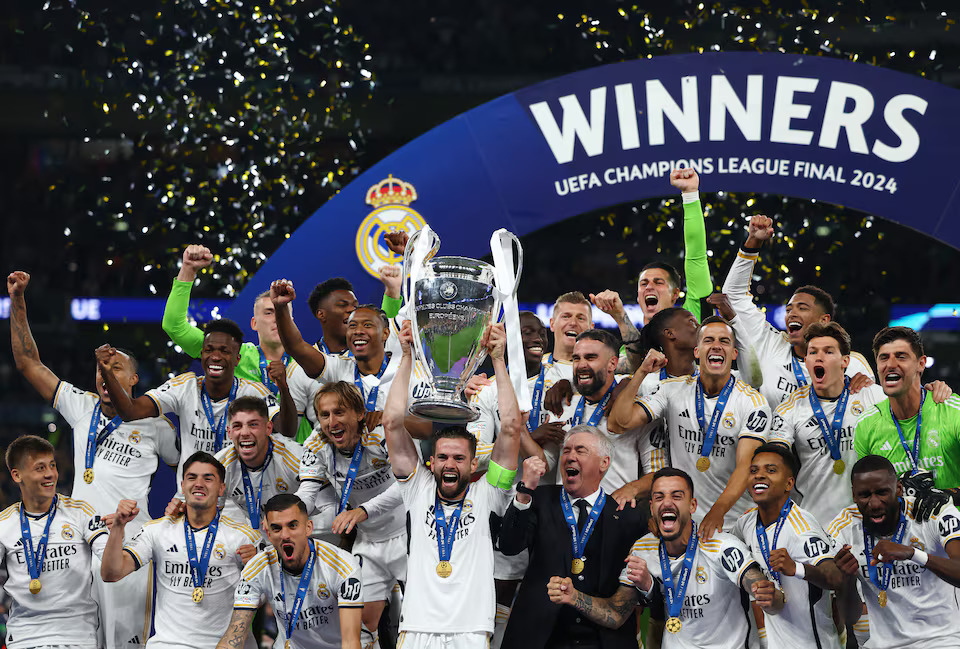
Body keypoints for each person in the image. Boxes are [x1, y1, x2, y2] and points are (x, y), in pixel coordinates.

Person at [8, 269, 178, 648]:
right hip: (78, 543)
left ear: (134, 380)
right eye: (101, 368)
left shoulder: (156, 425)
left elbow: (186, 467)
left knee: (124, 641)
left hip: (131, 545)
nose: (105, 374)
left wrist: (181, 500)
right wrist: (18, 301)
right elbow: (28, 364)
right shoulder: (81, 406)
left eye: (116, 367)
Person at [383, 319, 522, 648]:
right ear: (431, 462)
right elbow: (391, 421)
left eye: (459, 459)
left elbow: (512, 428)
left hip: (471, 629)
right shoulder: (417, 489)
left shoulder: (489, 493)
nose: (449, 464)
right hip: (417, 627)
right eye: (443, 457)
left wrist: (499, 361)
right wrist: (406, 358)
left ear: (474, 464)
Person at [553, 467, 780, 648]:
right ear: (652, 507)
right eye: (659, 497)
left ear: (692, 506)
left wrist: (765, 591)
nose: (667, 502)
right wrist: (573, 596)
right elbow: (615, 614)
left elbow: (758, 585)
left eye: (677, 496)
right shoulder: (642, 550)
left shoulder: (721, 545)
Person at [609, 317, 772, 537]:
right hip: (683, 522)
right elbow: (621, 421)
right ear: (697, 351)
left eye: (724, 341)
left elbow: (746, 466)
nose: (716, 346)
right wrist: (641, 372)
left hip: (734, 521)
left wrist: (717, 512)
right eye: (708, 340)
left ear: (734, 354)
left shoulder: (753, 402)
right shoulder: (671, 390)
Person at [498, 426, 652, 649]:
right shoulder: (539, 499)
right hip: (541, 637)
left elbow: (639, 588)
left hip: (602, 640)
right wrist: (525, 491)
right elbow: (509, 545)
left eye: (580, 451)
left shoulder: (627, 516)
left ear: (604, 463)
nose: (570, 457)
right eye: (567, 451)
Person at [101, 452, 260, 649]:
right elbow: (111, 573)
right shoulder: (157, 530)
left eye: (208, 478)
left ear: (221, 489)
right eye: (192, 477)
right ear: (182, 486)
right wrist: (118, 528)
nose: (199, 483)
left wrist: (254, 570)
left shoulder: (243, 537)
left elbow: (263, 598)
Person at [99, 319, 284, 481]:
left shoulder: (253, 392)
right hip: (190, 501)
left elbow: (286, 429)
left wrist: (284, 387)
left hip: (238, 503)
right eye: (208, 350)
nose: (215, 357)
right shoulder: (184, 386)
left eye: (224, 351)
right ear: (201, 354)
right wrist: (107, 373)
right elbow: (131, 411)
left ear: (237, 359)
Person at [720, 214, 875, 408]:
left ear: (824, 320)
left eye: (802, 308)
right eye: (789, 309)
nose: (791, 314)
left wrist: (871, 389)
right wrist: (754, 241)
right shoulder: (770, 344)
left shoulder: (852, 363)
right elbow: (733, 295)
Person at [161, 244, 314, 441]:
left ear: (291, 322)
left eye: (282, 312)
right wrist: (188, 269)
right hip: (244, 457)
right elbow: (175, 326)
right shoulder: (228, 355)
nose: (276, 318)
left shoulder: (310, 361)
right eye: (269, 312)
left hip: (299, 463)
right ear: (254, 323)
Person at [295, 381, 406, 648]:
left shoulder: (381, 433)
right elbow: (307, 494)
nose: (332, 422)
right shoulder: (315, 446)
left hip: (408, 537)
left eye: (339, 412)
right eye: (325, 415)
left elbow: (409, 485)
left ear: (358, 413)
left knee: (418, 619)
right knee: (364, 626)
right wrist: (289, 516)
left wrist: (363, 511)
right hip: (368, 543)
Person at [827, 455, 960, 649]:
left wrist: (913, 554)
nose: (874, 504)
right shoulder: (843, 528)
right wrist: (846, 581)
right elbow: (851, 617)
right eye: (864, 495)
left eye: (882, 492)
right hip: (881, 644)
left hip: (943, 640)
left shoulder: (933, 510)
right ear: (854, 495)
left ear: (898, 488)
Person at [770, 322, 886, 526]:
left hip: (866, 521)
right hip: (813, 522)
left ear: (845, 361)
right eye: (813, 352)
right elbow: (775, 458)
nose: (819, 357)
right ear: (806, 361)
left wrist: (936, 388)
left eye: (828, 351)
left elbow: (913, 405)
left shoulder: (873, 396)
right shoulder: (790, 407)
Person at [731, 444, 844, 649]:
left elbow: (836, 578)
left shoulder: (802, 527)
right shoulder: (745, 523)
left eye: (771, 470)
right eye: (754, 470)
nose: (759, 476)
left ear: (789, 483)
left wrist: (797, 569)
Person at [0, 435, 109, 648]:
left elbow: (113, 569)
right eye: (40, 468)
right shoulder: (4, 523)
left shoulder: (80, 513)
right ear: (17, 475)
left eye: (52, 465)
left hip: (77, 636)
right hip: (25, 638)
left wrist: (118, 532)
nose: (50, 474)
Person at [219, 494, 363, 649]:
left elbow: (350, 642)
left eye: (292, 526)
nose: (285, 535)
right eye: (277, 528)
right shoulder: (257, 568)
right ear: (268, 534)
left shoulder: (342, 565)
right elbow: (235, 635)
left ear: (308, 528)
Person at [855, 326, 960, 490]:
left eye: (901, 357)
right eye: (883, 358)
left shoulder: (953, 411)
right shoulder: (866, 425)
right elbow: (866, 494)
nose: (890, 364)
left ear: (921, 363)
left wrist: (950, 496)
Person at [544, 329, 645, 493]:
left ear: (612, 363)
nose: (582, 364)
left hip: (613, 510)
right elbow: (548, 461)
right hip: (565, 512)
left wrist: (631, 490)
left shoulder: (634, 404)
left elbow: (655, 471)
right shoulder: (562, 400)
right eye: (576, 358)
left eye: (591, 357)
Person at [212, 397, 305, 535]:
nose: (244, 433)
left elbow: (329, 508)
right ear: (229, 432)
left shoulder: (296, 458)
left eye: (253, 425)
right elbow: (209, 516)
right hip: (262, 542)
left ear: (268, 428)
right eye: (237, 426)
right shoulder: (219, 466)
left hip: (309, 536)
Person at [307, 277, 360, 355]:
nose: (352, 309)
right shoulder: (302, 362)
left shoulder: (375, 357)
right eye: (342, 305)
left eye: (355, 306)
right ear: (321, 315)